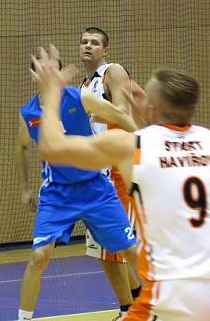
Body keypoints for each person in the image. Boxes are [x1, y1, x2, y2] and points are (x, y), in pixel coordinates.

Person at [32, 46, 210, 321]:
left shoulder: (132, 146)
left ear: (151, 109)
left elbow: (51, 147)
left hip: (174, 289)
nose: (135, 94)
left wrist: (51, 91)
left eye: (141, 92)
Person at [16, 57, 138, 321]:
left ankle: (154, 308)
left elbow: (119, 115)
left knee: (130, 250)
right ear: (34, 74)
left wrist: (149, 146)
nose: (46, 73)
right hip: (56, 194)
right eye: (40, 69)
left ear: (59, 74)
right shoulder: (28, 113)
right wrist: (26, 188)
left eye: (51, 69)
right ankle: (23, 318)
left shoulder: (80, 98)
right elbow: (22, 146)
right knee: (38, 256)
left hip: (95, 188)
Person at [79, 27, 142, 318]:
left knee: (114, 248)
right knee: (102, 250)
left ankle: (131, 309)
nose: (88, 46)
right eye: (84, 42)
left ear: (105, 50)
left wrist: (90, 110)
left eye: (94, 43)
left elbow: (122, 112)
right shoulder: (84, 85)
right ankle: (137, 302)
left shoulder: (112, 72)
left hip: (118, 170)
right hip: (94, 175)